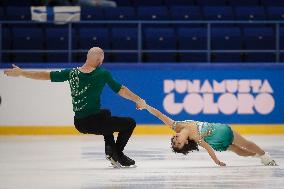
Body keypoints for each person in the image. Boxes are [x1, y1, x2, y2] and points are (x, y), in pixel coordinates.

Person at [4, 47, 146, 168]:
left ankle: (110, 149)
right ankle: (118, 154)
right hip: (94, 123)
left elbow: (45, 75)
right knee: (130, 123)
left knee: (105, 113)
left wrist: (22, 73)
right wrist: (138, 99)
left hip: (79, 123)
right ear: (99, 61)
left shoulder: (71, 73)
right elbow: (121, 90)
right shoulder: (102, 73)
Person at [141, 104, 277, 166]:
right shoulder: (195, 138)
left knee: (244, 144)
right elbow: (208, 148)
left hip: (220, 131)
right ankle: (257, 155)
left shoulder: (175, 125)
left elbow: (159, 115)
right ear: (186, 143)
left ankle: (263, 155)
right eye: (179, 143)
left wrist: (146, 107)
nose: (176, 140)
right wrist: (217, 161)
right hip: (217, 139)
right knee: (238, 150)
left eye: (174, 142)